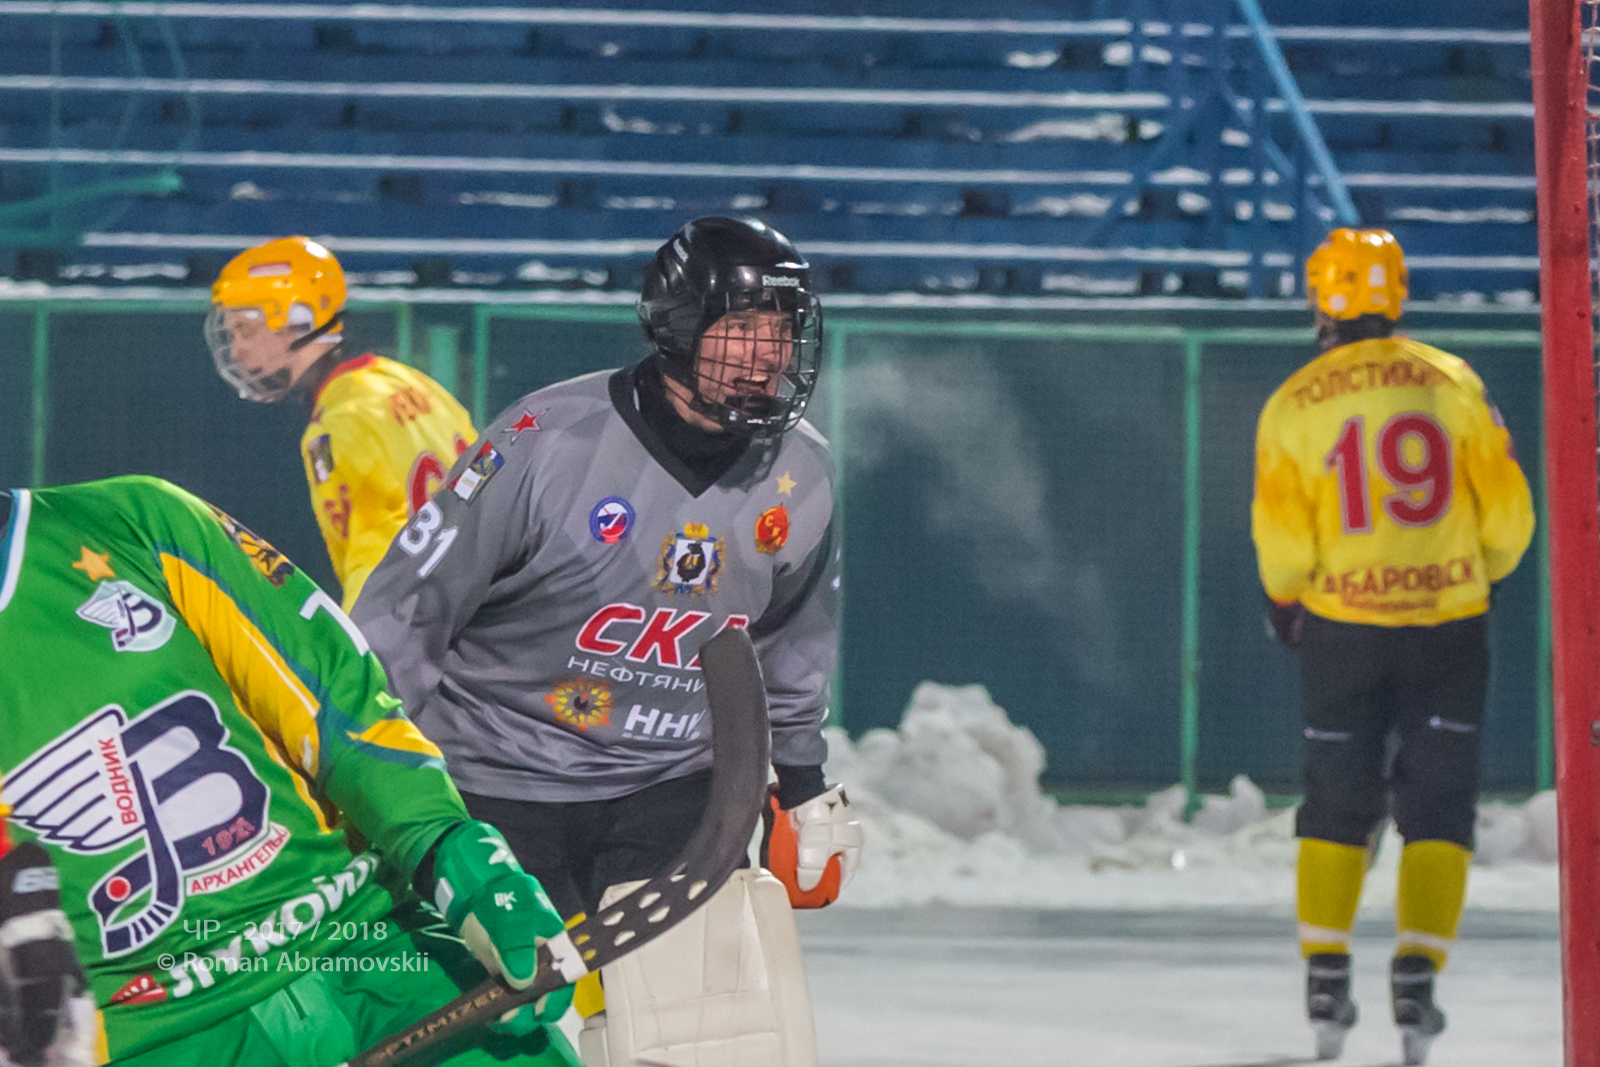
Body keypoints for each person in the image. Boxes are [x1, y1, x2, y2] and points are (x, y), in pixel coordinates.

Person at [352, 216, 863, 1067]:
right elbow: (408, 613)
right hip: (492, 782)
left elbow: (792, 642)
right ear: (677, 326)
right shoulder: (542, 440)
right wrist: (357, 772)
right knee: (491, 1042)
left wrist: (803, 782)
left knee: (695, 1041)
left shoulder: (802, 470)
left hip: (676, 792)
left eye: (780, 330)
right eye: (741, 327)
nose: (767, 354)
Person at [0, 476, 582, 1066]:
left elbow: (337, 703)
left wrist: (462, 863)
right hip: (158, 1035)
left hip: (368, 940)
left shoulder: (130, 520)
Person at [1252, 228, 1535, 1065]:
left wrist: (1288, 601)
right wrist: (1475, 573)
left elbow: (1284, 551)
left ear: (1321, 300)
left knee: (1335, 801)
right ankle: (1417, 978)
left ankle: (1324, 974)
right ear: (1397, 291)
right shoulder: (1454, 381)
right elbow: (1509, 520)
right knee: (1439, 806)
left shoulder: (1293, 403)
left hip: (1343, 628)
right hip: (1448, 624)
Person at [206, 236, 475, 610]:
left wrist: (362, 633)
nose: (236, 350)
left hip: (419, 616)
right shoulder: (412, 382)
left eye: (245, 330)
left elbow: (376, 554)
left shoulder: (338, 424)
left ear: (298, 320)